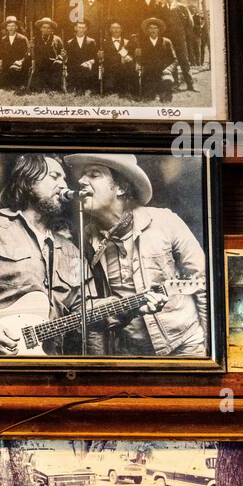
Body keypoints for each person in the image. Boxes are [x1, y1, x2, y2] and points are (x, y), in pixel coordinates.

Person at [66, 152, 208, 357]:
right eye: (82, 175)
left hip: (186, 346)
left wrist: (209, 348)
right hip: (130, 354)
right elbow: (88, 310)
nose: (81, 181)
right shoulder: (84, 240)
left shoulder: (166, 221)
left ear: (121, 188)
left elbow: (203, 283)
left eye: (94, 174)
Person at [0, 154, 83, 356]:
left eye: (64, 179)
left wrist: (128, 306)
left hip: (45, 366)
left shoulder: (71, 251)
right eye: (54, 176)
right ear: (28, 180)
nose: (63, 185)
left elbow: (82, 312)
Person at [161, 0, 196, 92]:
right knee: (171, 61)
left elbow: (190, 23)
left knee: (184, 61)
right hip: (168, 40)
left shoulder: (182, 7)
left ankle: (190, 85)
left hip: (181, 39)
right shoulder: (162, 8)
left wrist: (185, 36)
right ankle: (175, 85)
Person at [135, 17, 177, 102]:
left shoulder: (166, 42)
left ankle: (164, 95)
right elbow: (138, 59)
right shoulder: (142, 43)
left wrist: (168, 69)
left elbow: (175, 60)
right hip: (148, 73)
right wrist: (138, 64)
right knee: (149, 95)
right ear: (147, 30)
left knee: (167, 82)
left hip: (163, 72)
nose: (153, 30)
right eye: (150, 28)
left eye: (155, 28)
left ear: (159, 30)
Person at [100, 20, 137, 97]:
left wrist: (129, 57)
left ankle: (127, 89)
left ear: (121, 29)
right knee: (109, 89)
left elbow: (131, 55)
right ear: (110, 30)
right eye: (113, 28)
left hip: (124, 70)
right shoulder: (104, 43)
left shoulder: (127, 42)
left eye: (118, 28)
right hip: (110, 70)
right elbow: (102, 57)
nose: (116, 30)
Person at [28, 17, 65, 94]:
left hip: (53, 65)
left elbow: (62, 54)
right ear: (40, 29)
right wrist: (30, 48)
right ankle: (39, 86)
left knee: (58, 65)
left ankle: (54, 88)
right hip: (40, 66)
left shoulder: (57, 39)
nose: (46, 30)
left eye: (48, 28)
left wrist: (61, 57)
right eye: (44, 27)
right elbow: (30, 55)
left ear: (52, 29)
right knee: (37, 85)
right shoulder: (35, 40)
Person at [0, 16, 29, 89]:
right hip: (6, 67)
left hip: (19, 66)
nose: (11, 28)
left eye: (13, 26)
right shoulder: (2, 39)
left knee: (17, 81)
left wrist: (21, 61)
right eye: (9, 26)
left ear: (16, 27)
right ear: (6, 28)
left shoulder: (22, 39)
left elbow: (28, 53)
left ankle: (18, 82)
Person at [64, 20, 98, 95]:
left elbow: (95, 57)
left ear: (86, 29)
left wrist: (88, 63)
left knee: (84, 69)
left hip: (87, 68)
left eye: (83, 28)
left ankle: (83, 89)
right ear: (75, 28)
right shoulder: (69, 42)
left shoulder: (91, 41)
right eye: (79, 27)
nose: (81, 30)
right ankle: (75, 88)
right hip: (74, 68)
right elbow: (68, 58)